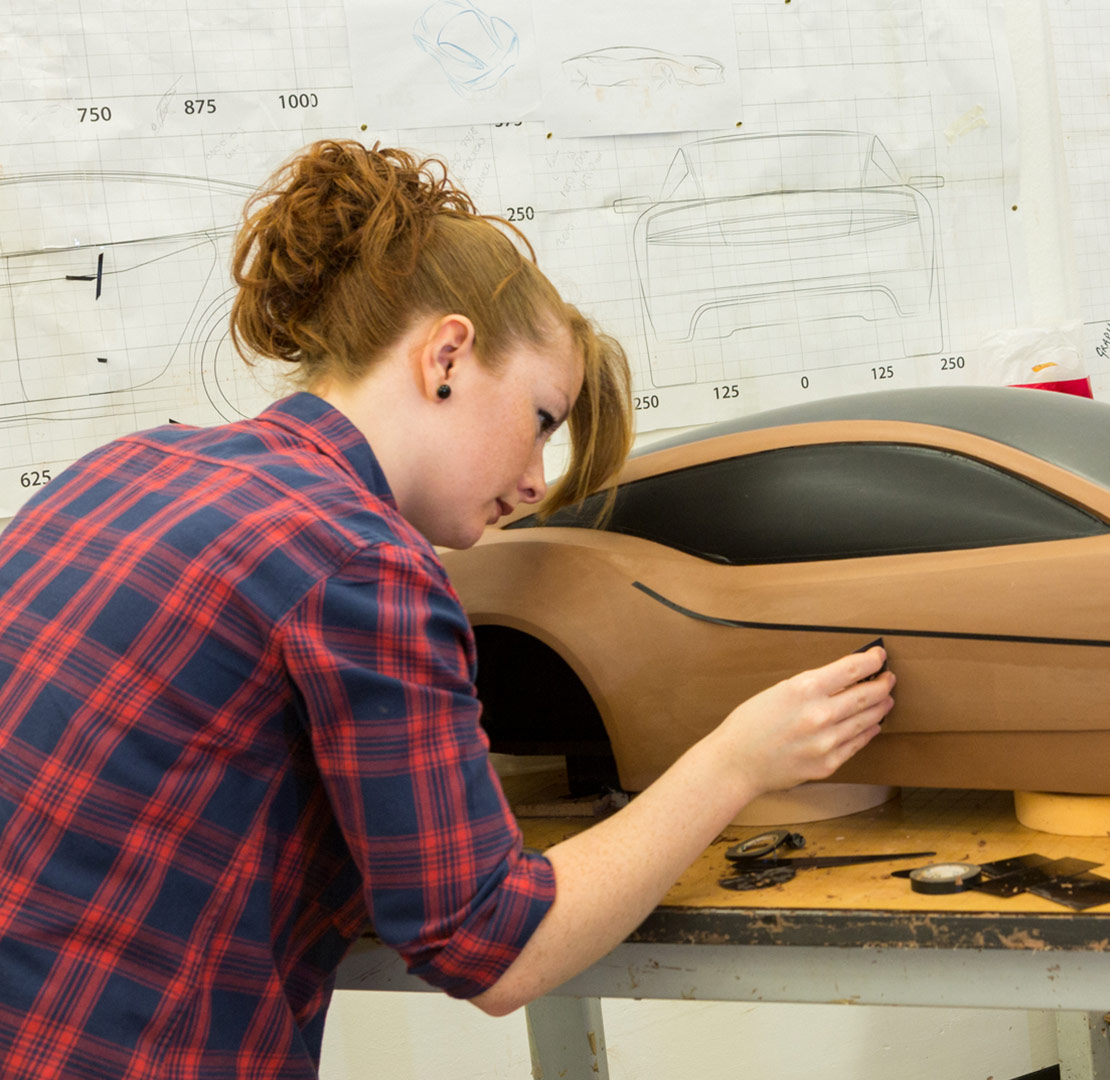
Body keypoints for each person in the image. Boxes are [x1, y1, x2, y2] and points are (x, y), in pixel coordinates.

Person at [0, 140, 895, 1079]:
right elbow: (497, 947)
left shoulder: (125, 467)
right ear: (448, 355)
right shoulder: (359, 560)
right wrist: (738, 760)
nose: (534, 480)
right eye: (543, 419)